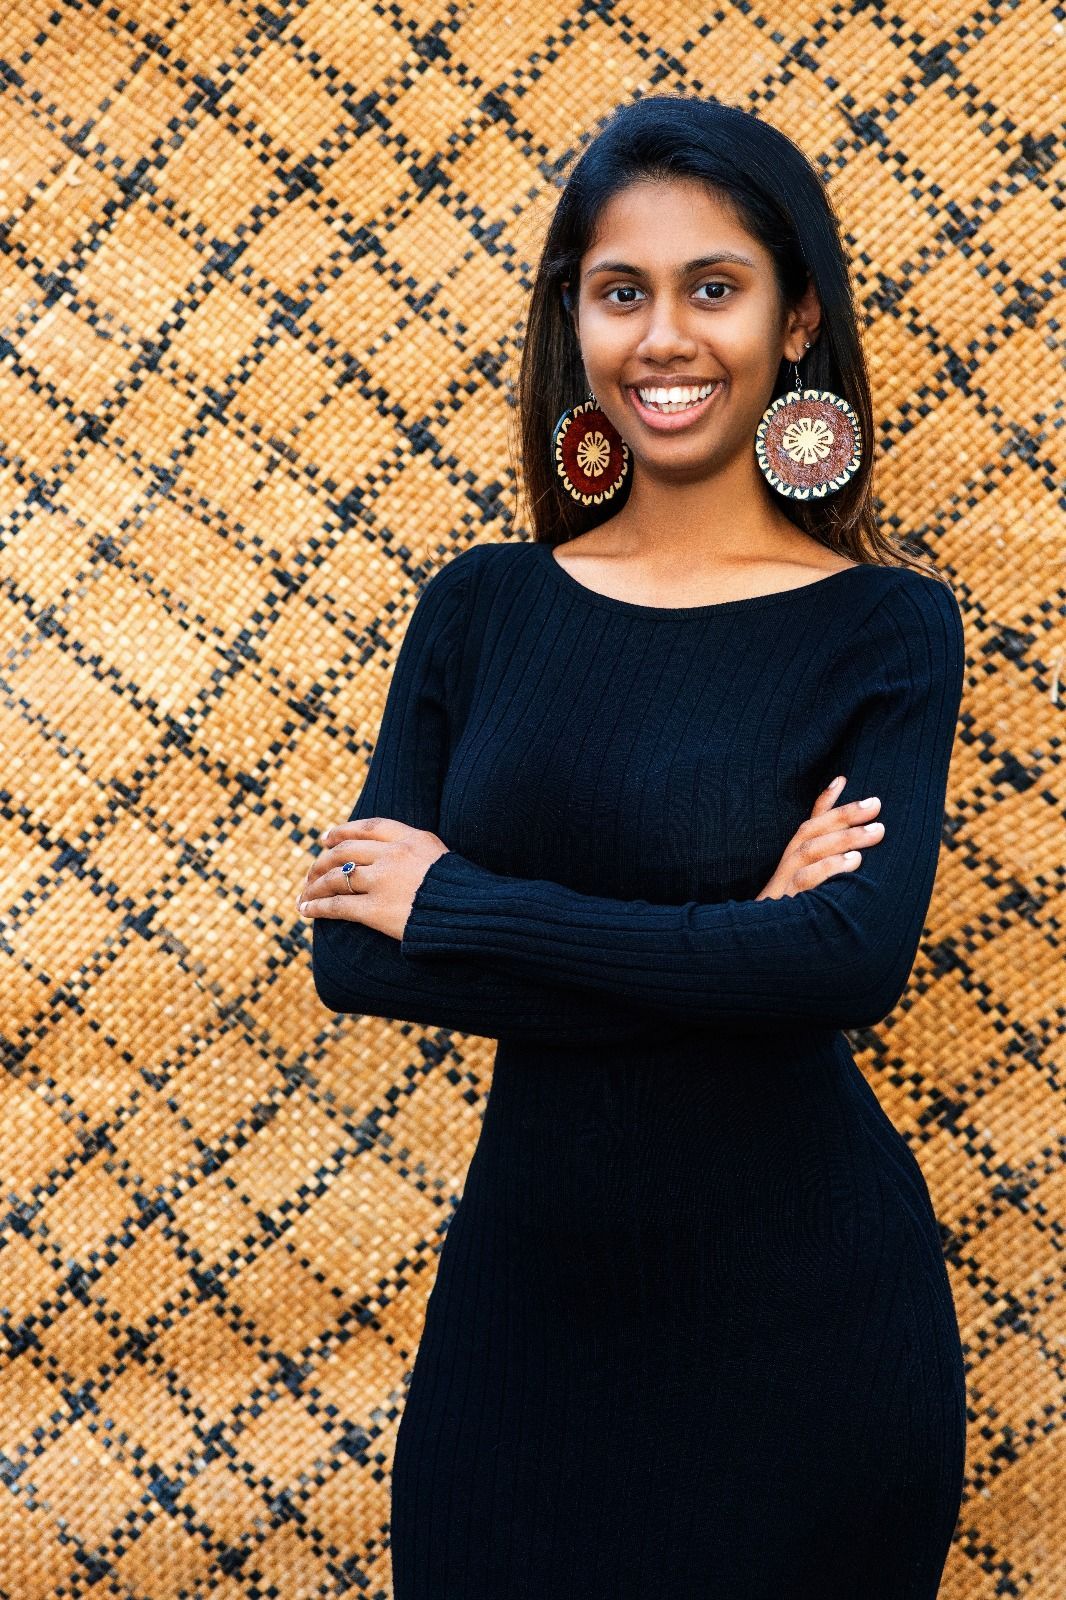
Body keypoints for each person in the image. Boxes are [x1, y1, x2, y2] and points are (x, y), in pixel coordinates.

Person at [298, 95, 967, 1600]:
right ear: (576, 325)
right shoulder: (480, 610)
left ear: (795, 320)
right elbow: (356, 955)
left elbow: (848, 962)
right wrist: (738, 947)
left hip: (806, 1333)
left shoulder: (885, 628)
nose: (663, 337)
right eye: (621, 292)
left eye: (711, 287)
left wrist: (457, 904)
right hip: (528, 1321)